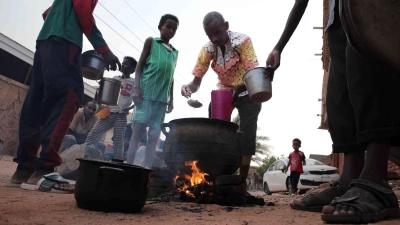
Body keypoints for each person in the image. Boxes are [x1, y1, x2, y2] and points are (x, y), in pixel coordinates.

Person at [266, 0, 400, 223]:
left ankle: (376, 179)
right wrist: (279, 46)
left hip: (368, 5)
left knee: (368, 73)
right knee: (339, 94)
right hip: (337, 16)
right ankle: (349, 178)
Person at [10, 0, 120, 193]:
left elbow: (48, 13)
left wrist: (60, 25)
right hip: (65, 43)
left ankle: (23, 169)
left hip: (45, 43)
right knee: (67, 98)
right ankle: (45, 169)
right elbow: (81, 9)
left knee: (36, 102)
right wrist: (104, 49)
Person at [181, 11, 261, 179]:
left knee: (247, 133)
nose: (214, 38)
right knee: (216, 131)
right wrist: (188, 87)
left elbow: (254, 75)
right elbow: (196, 83)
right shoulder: (207, 49)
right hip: (224, 91)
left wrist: (237, 91)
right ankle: (216, 174)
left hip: (247, 89)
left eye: (217, 32)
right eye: (209, 34)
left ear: (226, 26)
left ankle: (241, 179)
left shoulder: (242, 41)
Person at [126, 14, 179, 168]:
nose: (171, 31)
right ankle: (128, 167)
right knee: (138, 131)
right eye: (168, 27)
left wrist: (172, 99)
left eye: (174, 29)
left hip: (162, 100)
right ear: (160, 27)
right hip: (146, 95)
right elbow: (139, 66)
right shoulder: (151, 42)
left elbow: (171, 76)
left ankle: (146, 170)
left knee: (154, 135)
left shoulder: (174, 52)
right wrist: (136, 89)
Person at [84, 56, 137, 161]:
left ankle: (117, 161)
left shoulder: (134, 82)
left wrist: (130, 107)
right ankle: (87, 156)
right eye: (122, 63)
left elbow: (139, 100)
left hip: (121, 114)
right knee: (93, 134)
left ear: (132, 69)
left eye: (126, 64)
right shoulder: (115, 79)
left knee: (118, 141)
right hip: (109, 111)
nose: (122, 65)